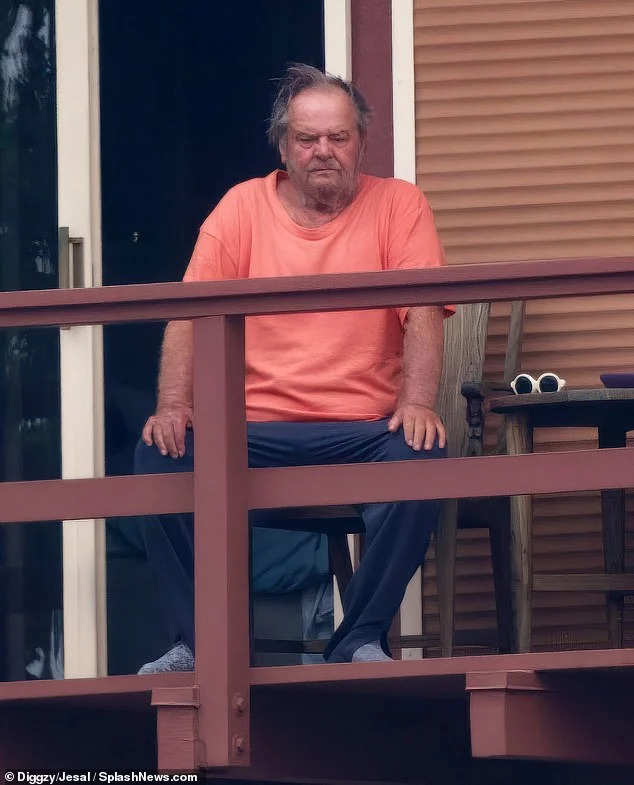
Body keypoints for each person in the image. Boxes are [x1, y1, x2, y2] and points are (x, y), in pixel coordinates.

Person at [134, 63, 451, 673]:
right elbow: (186, 315)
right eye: (307, 139)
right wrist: (174, 406)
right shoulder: (241, 207)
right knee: (160, 454)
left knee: (422, 457)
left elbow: (423, 312)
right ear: (284, 146)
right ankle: (196, 646)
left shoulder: (399, 204)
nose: (322, 151)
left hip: (362, 429)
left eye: (338, 137)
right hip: (251, 431)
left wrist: (416, 402)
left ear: (361, 142)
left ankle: (357, 639)